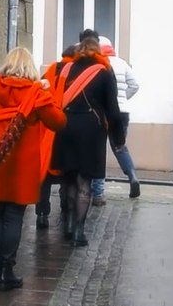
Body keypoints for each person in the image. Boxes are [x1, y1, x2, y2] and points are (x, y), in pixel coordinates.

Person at [0, 48, 66, 290]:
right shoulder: (36, 94)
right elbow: (59, 122)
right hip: (22, 165)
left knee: (0, 211)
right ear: (29, 68)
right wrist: (47, 95)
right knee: (14, 215)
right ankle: (6, 270)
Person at [51, 35, 127, 246]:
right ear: (98, 52)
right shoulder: (103, 73)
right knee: (85, 183)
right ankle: (78, 231)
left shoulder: (64, 70)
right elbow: (113, 110)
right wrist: (118, 139)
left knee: (68, 179)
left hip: (64, 127)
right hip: (90, 131)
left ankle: (66, 224)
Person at [90, 35, 142, 202]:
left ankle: (98, 191)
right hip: (122, 111)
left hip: (104, 112)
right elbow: (135, 85)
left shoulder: (100, 64)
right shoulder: (122, 63)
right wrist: (123, 99)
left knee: (98, 150)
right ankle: (132, 176)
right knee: (120, 147)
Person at [34, 44, 76, 231]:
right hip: (66, 128)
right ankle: (66, 212)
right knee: (68, 175)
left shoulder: (51, 71)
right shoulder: (76, 73)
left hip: (46, 131)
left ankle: (42, 214)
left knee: (44, 176)